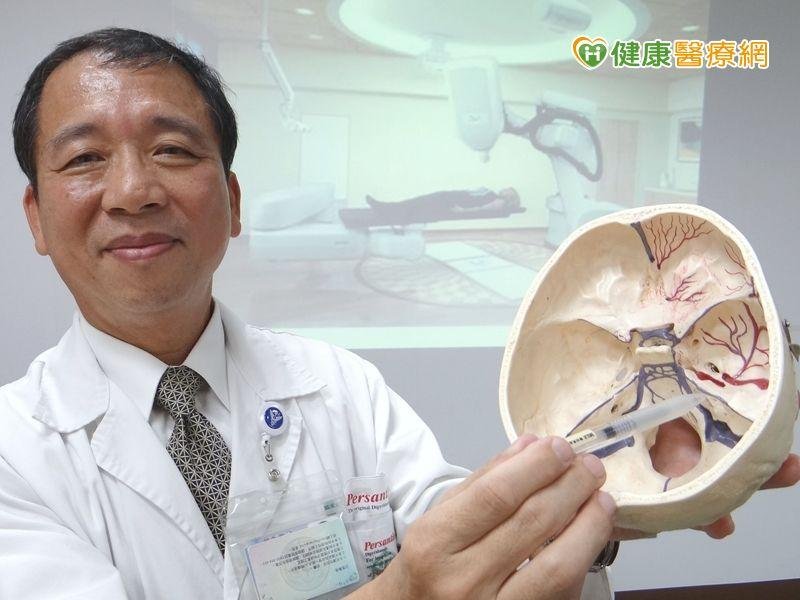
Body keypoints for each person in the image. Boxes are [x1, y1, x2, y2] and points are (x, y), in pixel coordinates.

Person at [1, 28, 797, 600]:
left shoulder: (339, 385)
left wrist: (604, 495)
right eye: (84, 159)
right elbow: (426, 577)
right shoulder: (13, 457)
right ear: (36, 216)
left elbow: (455, 535)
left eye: (173, 150)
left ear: (233, 202)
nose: (133, 191)